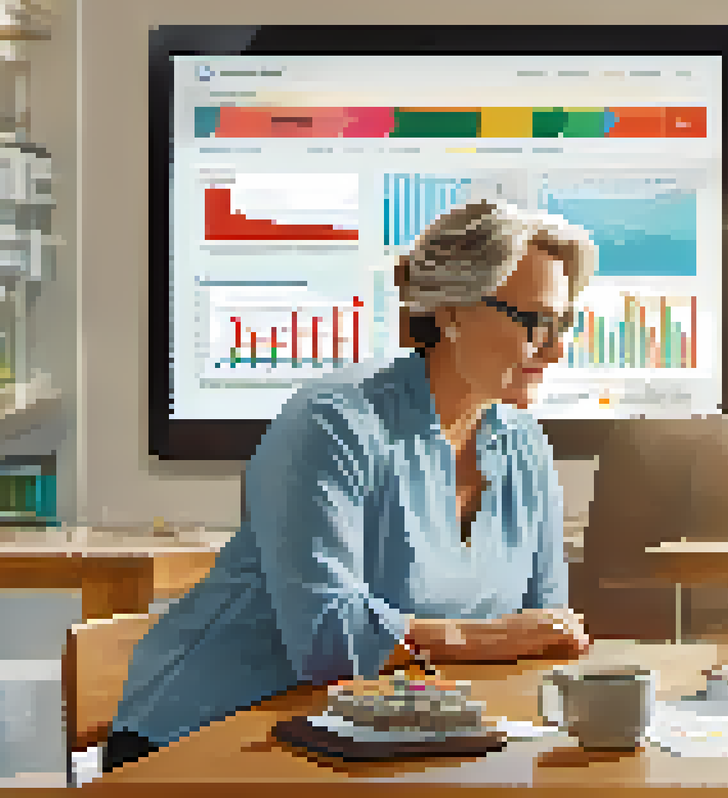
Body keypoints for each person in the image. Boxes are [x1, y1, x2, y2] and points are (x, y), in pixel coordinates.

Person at [103, 200, 596, 772]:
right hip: (213, 742)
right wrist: (492, 637)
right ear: (451, 312)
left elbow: (547, 633)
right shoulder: (334, 423)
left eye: (562, 323)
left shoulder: (523, 444)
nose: (555, 349)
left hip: (384, 744)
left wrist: (514, 642)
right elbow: (329, 643)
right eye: (534, 321)